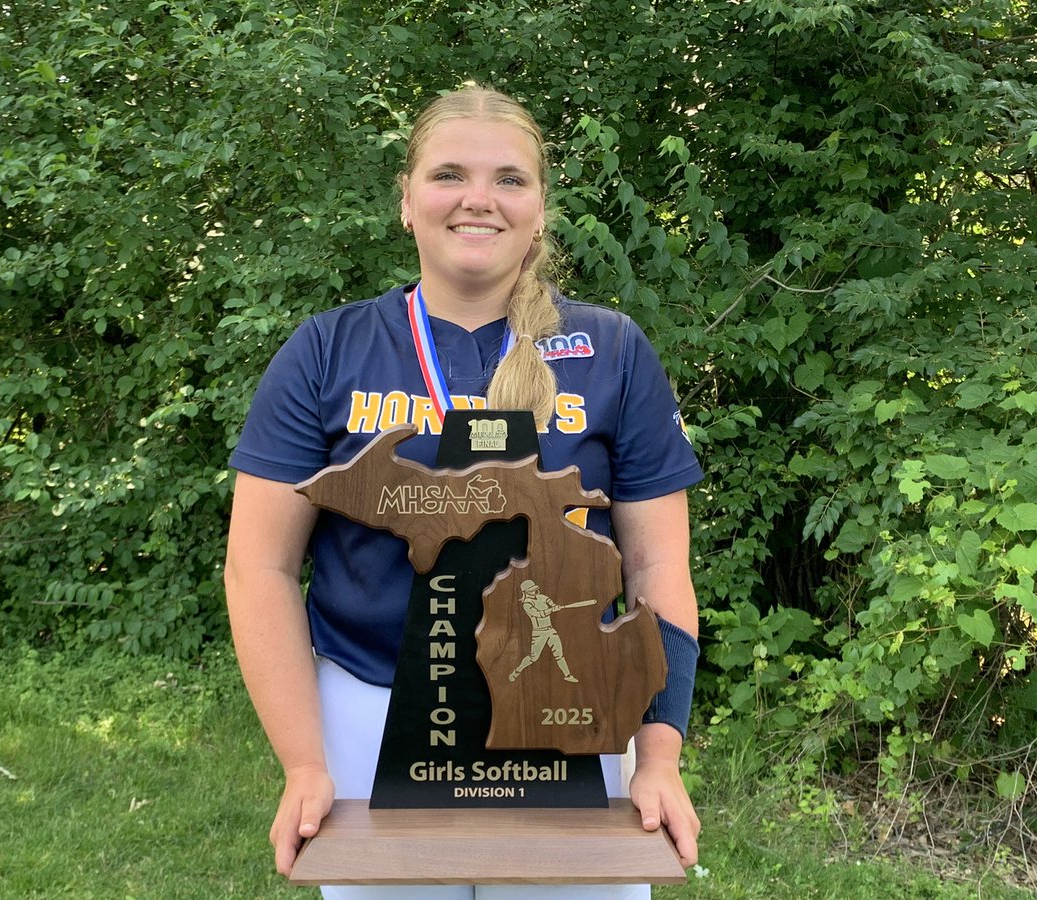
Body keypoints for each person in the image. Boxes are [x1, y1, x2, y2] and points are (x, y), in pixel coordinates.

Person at [224, 84, 703, 900]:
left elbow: (658, 570)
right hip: (369, 711)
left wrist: (657, 757)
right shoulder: (326, 349)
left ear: (540, 207)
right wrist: (306, 761)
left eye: (509, 179)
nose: (478, 199)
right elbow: (259, 567)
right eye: (449, 174)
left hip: (570, 709)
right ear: (406, 201)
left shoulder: (613, 350)